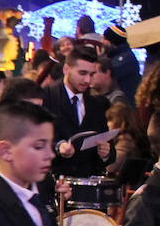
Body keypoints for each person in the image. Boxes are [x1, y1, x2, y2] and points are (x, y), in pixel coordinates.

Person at [43, 46, 113, 179]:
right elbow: (35, 139)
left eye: (91, 74)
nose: (87, 80)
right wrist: (58, 146)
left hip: (87, 186)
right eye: (82, 73)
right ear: (66, 69)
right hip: (54, 182)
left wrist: (106, 153)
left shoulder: (97, 104)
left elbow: (108, 146)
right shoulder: (47, 97)